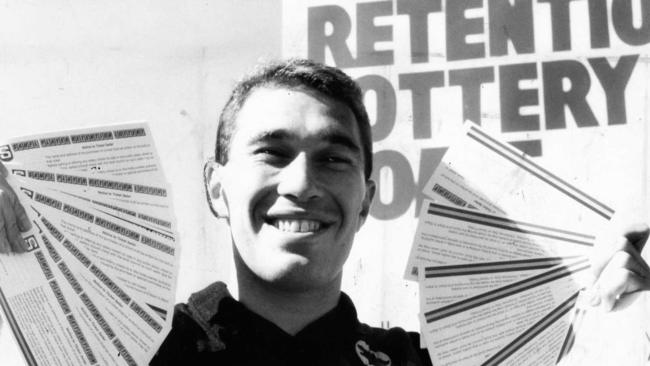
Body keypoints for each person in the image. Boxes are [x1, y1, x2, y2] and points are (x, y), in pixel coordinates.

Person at [0, 59, 649, 365]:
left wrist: (619, 323)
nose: (302, 182)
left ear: (367, 195)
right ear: (217, 189)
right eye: (272, 152)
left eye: (333, 158)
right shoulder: (142, 357)